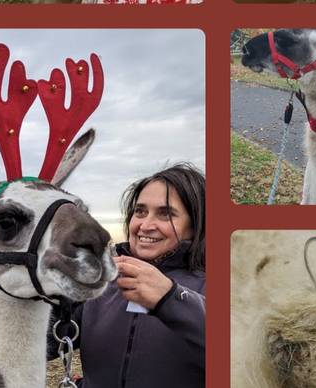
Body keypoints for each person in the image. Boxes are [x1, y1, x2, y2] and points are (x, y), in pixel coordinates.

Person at [47, 163, 205, 388]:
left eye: (165, 213)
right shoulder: (104, 284)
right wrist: (51, 295)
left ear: (196, 224)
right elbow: (46, 346)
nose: (145, 225)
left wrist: (170, 298)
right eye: (140, 211)